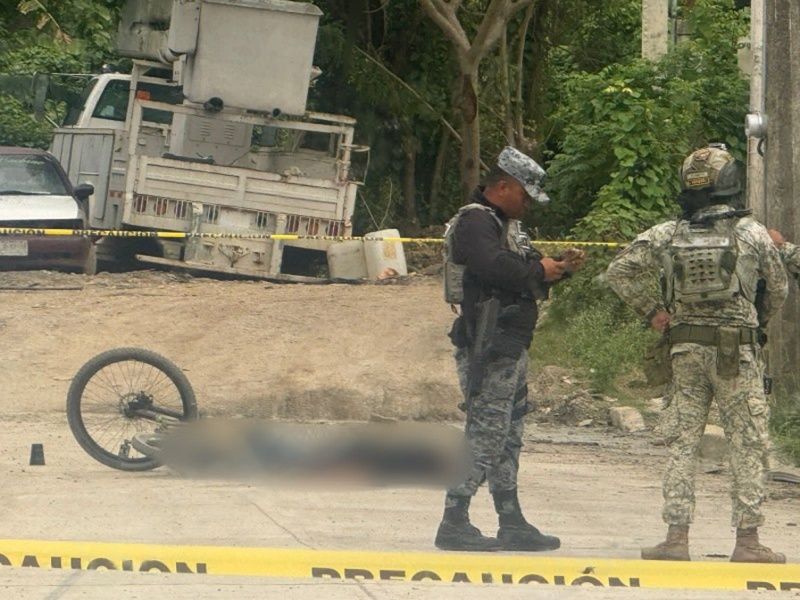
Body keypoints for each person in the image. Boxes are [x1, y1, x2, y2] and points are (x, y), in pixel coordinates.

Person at [606, 144, 788, 563]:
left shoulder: (668, 233)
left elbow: (619, 271)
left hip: (685, 350)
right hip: (737, 352)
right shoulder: (751, 233)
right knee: (746, 443)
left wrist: (653, 312)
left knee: (682, 443)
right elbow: (778, 287)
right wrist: (757, 320)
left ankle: (676, 538)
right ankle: (747, 542)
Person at [435, 146, 585, 552]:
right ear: (503, 186)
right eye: (524, 195)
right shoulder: (475, 222)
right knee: (487, 432)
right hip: (489, 343)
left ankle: (511, 519)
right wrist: (538, 269)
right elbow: (494, 267)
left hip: (510, 343)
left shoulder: (505, 226)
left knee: (509, 434)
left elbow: (523, 275)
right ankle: (454, 519)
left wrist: (558, 269)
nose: (528, 205)